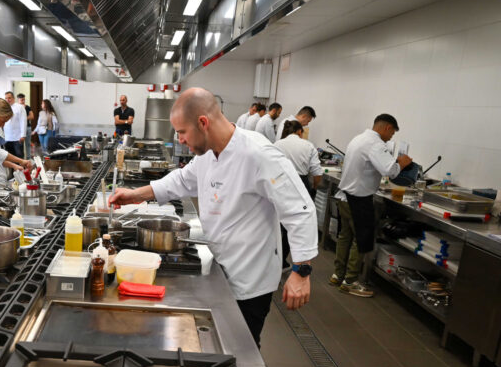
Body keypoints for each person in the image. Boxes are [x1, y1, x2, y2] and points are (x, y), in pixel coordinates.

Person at [109, 88, 317, 347]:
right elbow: (182, 180)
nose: (180, 139)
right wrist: (135, 195)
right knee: (220, 343)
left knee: (242, 349)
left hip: (250, 277)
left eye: (182, 132)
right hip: (221, 265)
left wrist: (301, 271)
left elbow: (300, 209)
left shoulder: (259, 153)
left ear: (203, 123)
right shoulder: (208, 153)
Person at [331, 114, 412, 297]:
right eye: (392, 133)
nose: (390, 138)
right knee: (360, 240)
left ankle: (338, 275)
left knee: (345, 237)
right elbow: (389, 170)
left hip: (344, 196)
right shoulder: (376, 144)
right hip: (359, 200)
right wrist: (401, 163)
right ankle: (350, 282)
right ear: (387, 128)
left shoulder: (358, 139)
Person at [275, 120, 323, 269]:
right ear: (300, 132)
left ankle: (273, 258)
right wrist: (314, 188)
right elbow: (317, 173)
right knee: (296, 224)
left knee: (277, 223)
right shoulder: (308, 146)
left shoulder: (277, 144)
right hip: (300, 184)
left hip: (280, 183)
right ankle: (284, 261)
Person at [3, 91, 27, 158]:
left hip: (17, 137)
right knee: (10, 157)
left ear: (13, 98)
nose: (7, 100)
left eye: (9, 98)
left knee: (19, 156)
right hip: (7, 138)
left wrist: (23, 135)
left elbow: (23, 121)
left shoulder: (20, 107)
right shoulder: (4, 108)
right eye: (6, 98)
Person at [17, 93, 34, 158]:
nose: (23, 101)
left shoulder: (27, 107)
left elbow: (32, 116)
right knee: (20, 145)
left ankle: (28, 158)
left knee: (28, 144)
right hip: (19, 129)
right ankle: (21, 159)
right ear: (18, 100)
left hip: (27, 127)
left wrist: (23, 118)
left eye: (24, 100)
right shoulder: (16, 108)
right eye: (21, 100)